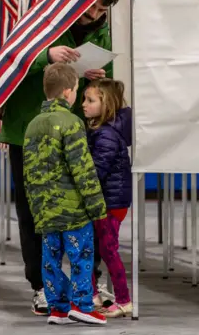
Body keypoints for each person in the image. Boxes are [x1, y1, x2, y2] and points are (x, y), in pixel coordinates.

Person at [0, 0, 121, 315]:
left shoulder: (100, 30)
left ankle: (89, 284)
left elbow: (105, 86)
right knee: (34, 212)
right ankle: (41, 287)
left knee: (86, 206)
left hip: (73, 131)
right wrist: (46, 55)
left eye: (101, 9)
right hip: (29, 132)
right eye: (90, 5)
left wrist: (99, 81)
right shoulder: (43, 22)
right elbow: (8, 62)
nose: (94, 14)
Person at [23, 63, 108, 325]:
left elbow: (28, 171)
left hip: (44, 209)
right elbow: (82, 169)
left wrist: (35, 206)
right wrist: (97, 207)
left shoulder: (32, 125)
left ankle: (58, 308)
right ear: (69, 92)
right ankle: (82, 304)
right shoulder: (72, 123)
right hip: (72, 210)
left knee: (50, 260)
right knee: (81, 256)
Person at [82, 79, 133, 317]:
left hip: (110, 202)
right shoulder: (103, 131)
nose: (84, 105)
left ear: (107, 104)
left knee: (108, 249)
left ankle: (123, 300)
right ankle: (91, 295)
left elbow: (97, 169)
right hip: (109, 201)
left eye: (90, 100)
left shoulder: (106, 135)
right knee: (94, 248)